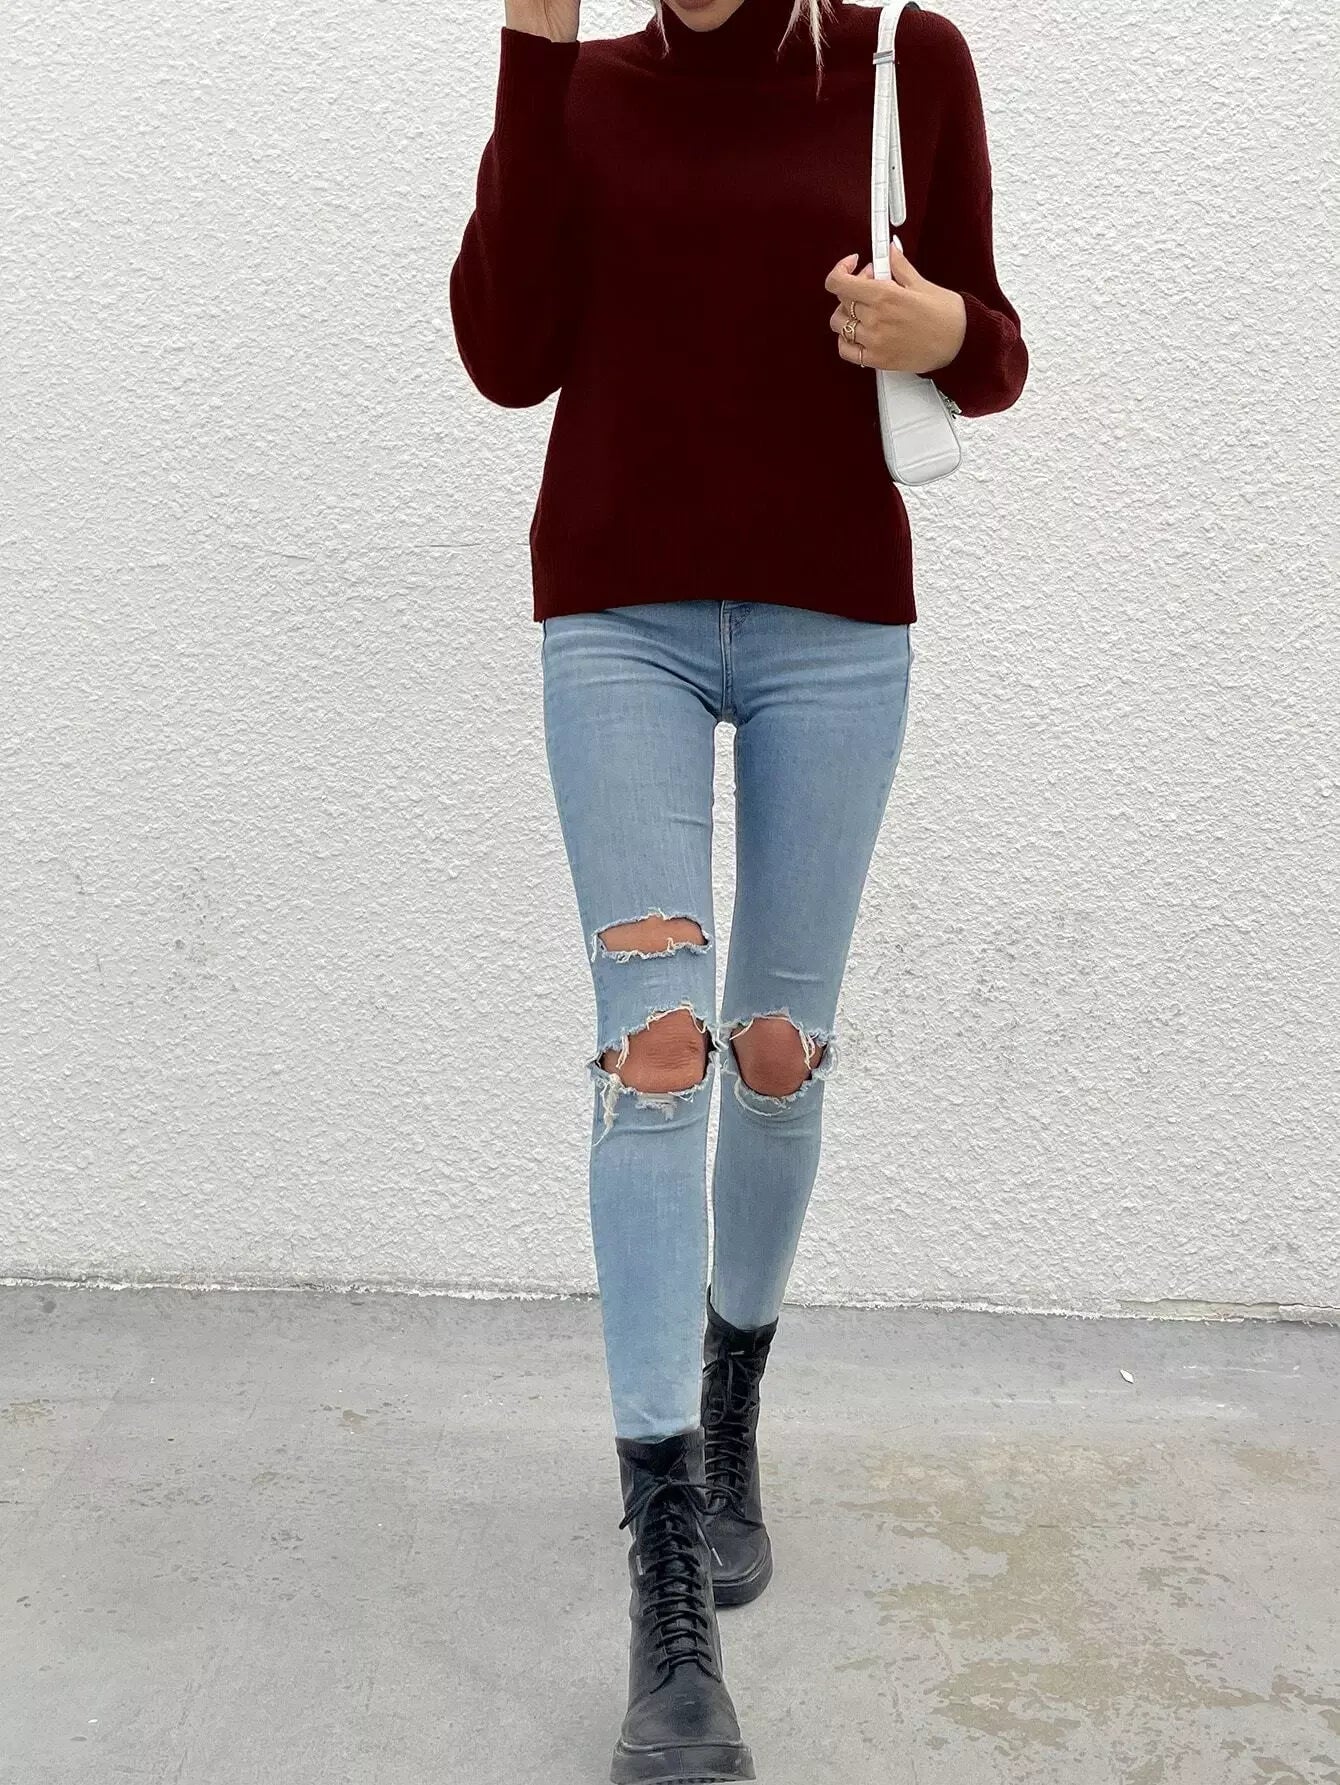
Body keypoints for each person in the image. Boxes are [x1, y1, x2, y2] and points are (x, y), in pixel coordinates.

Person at [449, 1, 1027, 1777]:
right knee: (657, 1057)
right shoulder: (584, 85)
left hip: (833, 632)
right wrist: (530, 46)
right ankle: (666, 1571)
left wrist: (943, 329)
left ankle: (729, 1397)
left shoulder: (899, 60)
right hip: (617, 617)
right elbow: (506, 353)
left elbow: (996, 348)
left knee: (777, 1050)